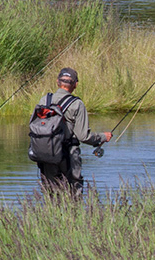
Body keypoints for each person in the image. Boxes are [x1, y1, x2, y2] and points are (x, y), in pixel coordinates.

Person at [35, 67, 111, 195]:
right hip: (67, 154)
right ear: (75, 85)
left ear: (57, 82)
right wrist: (102, 137)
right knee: (73, 194)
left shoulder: (44, 100)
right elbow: (83, 136)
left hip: (44, 153)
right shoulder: (77, 104)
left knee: (51, 193)